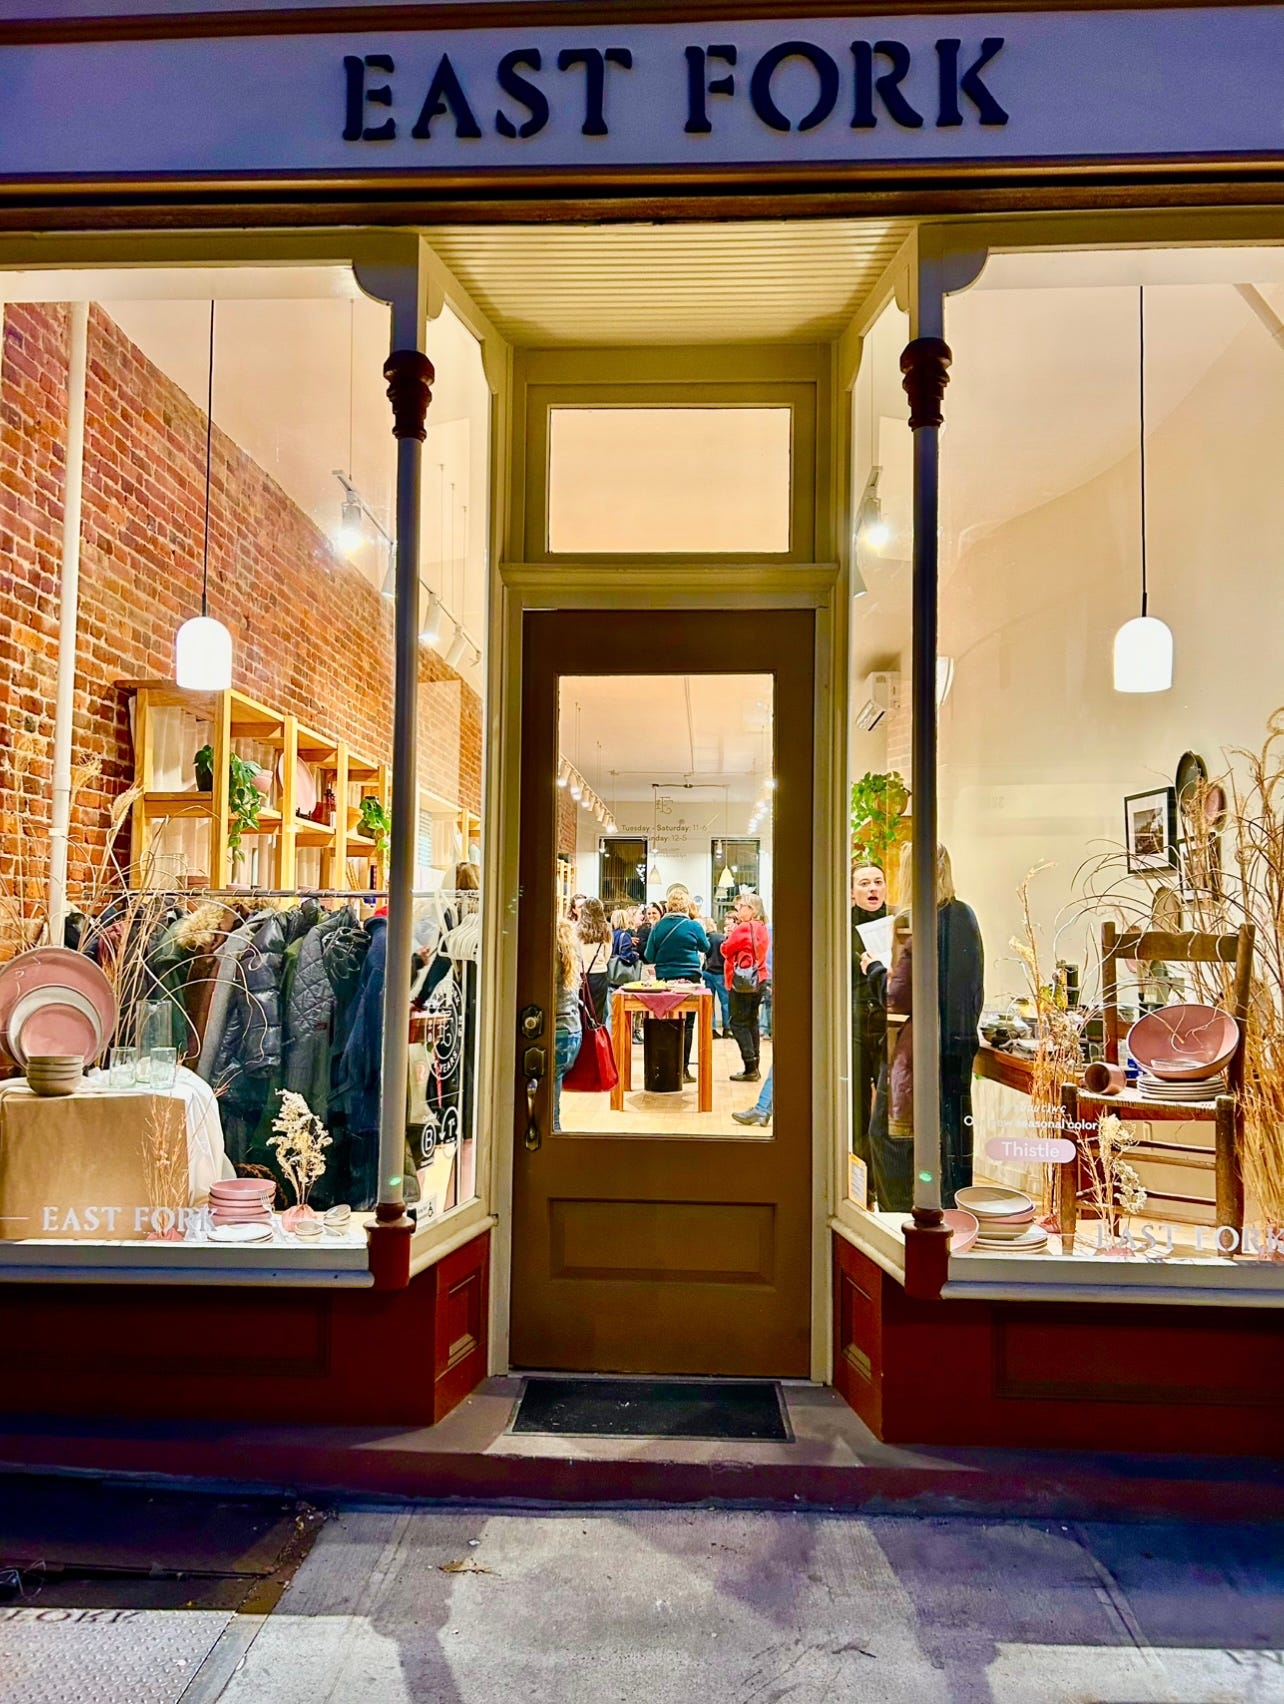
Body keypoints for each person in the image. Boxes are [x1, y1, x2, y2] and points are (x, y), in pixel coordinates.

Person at [863, 844, 984, 1212]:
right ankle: (952, 1219)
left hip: (914, 1051)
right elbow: (972, 988)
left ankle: (900, 1221)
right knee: (951, 1137)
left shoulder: (912, 921)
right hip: (958, 1045)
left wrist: (873, 968)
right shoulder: (964, 916)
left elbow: (897, 997)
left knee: (890, 1140)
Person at [643, 886, 710, 1082]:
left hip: (665, 979)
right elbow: (705, 947)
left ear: (668, 906)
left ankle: (665, 1070)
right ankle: (683, 1070)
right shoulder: (694, 926)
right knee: (688, 1025)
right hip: (690, 978)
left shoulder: (658, 927)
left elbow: (649, 955)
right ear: (686, 905)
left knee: (665, 1021)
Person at [850, 862, 888, 1167]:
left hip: (892, 1025)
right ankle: (861, 1176)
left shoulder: (901, 924)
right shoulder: (842, 927)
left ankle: (888, 1174)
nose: (872, 888)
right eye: (864, 883)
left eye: (878, 881)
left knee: (890, 1105)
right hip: (855, 1023)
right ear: (852, 892)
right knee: (856, 1105)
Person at [722, 893, 770, 1083]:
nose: (738, 910)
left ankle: (750, 1066)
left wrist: (728, 937)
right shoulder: (762, 927)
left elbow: (726, 949)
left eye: (741, 906)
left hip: (742, 981)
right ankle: (754, 1065)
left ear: (752, 909)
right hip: (759, 978)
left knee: (737, 1023)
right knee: (752, 1021)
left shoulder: (744, 928)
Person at [553, 917, 582, 1134]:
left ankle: (553, 1128)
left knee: (549, 1085)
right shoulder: (571, 961)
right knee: (555, 1082)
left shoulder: (549, 962)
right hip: (573, 1030)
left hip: (557, 1030)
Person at [576, 897, 613, 1030]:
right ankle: (596, 1038)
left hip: (580, 975)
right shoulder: (606, 930)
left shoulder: (576, 929)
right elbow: (607, 954)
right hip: (599, 975)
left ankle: (582, 1039)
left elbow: (574, 954)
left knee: (580, 1012)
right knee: (597, 1014)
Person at [702, 915, 731, 1039]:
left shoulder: (705, 939)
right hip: (720, 973)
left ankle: (711, 1029)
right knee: (725, 1002)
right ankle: (727, 1029)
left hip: (707, 972)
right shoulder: (721, 938)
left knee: (710, 1002)